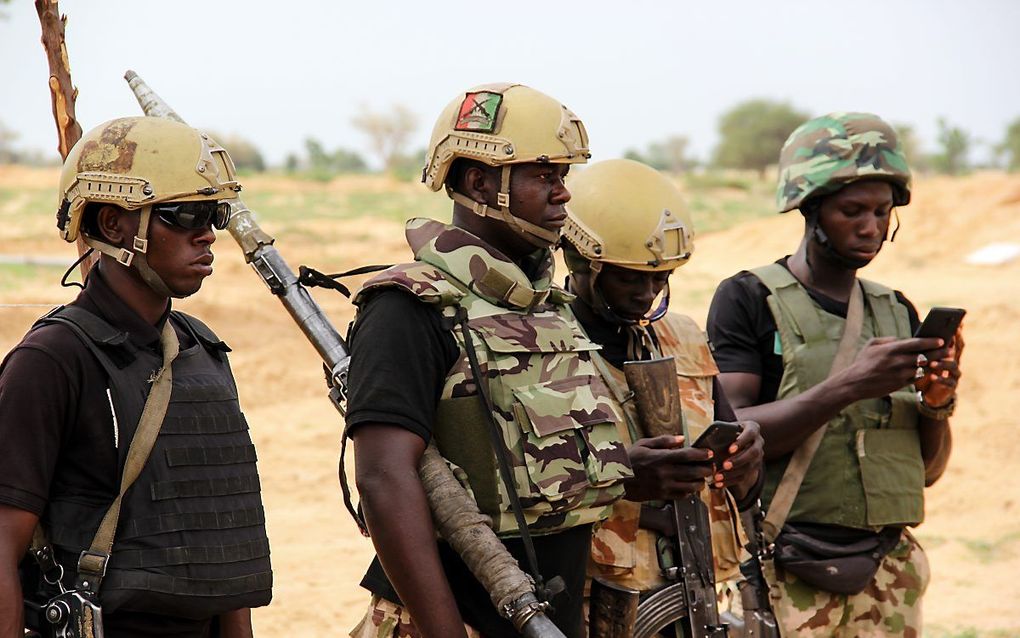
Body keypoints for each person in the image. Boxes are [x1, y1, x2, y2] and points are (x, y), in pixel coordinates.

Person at [344, 84, 634, 638]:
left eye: (564, 178)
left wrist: (639, 469)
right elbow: (384, 479)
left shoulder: (547, 305)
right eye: (543, 176)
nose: (563, 195)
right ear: (480, 182)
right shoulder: (410, 306)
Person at [0, 117, 273, 638]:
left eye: (213, 212)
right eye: (184, 213)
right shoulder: (51, 361)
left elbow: (224, 550)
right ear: (112, 225)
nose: (207, 233)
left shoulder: (200, 349)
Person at [706, 112, 962, 636]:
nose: (871, 227)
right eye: (852, 211)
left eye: (882, 211)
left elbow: (927, 471)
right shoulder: (748, 299)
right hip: (788, 571)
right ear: (810, 206)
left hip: (889, 573)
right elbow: (732, 438)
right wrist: (848, 386)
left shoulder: (897, 309)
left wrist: (936, 404)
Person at [558, 159, 763, 622]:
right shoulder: (540, 348)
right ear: (582, 262)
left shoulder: (683, 338)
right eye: (630, 277)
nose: (648, 292)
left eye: (661, 277)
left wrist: (749, 458)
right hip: (590, 597)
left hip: (691, 590)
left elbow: (737, 473)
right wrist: (620, 480)